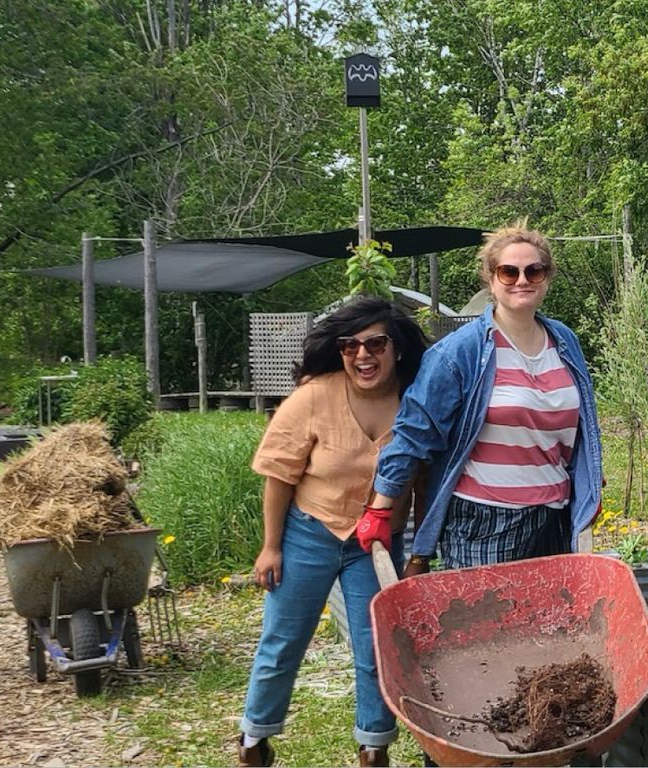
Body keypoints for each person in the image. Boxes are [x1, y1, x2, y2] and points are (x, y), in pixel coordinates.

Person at [237, 297, 430, 768]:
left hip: (377, 546)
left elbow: (426, 481)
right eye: (350, 346)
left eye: (375, 343)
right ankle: (254, 741)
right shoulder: (314, 397)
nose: (363, 355)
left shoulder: (417, 400)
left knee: (374, 647)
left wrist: (419, 555)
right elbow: (279, 474)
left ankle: (374, 748)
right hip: (309, 532)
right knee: (283, 640)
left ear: (397, 348)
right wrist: (270, 546)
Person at [361, 224, 603, 576]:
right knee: (488, 630)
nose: (522, 279)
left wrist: (589, 481)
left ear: (547, 277)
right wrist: (381, 506)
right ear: (491, 279)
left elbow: (582, 427)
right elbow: (415, 432)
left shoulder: (564, 341)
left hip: (554, 516)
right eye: (509, 271)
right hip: (483, 519)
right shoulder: (461, 352)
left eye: (534, 270)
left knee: (545, 630)